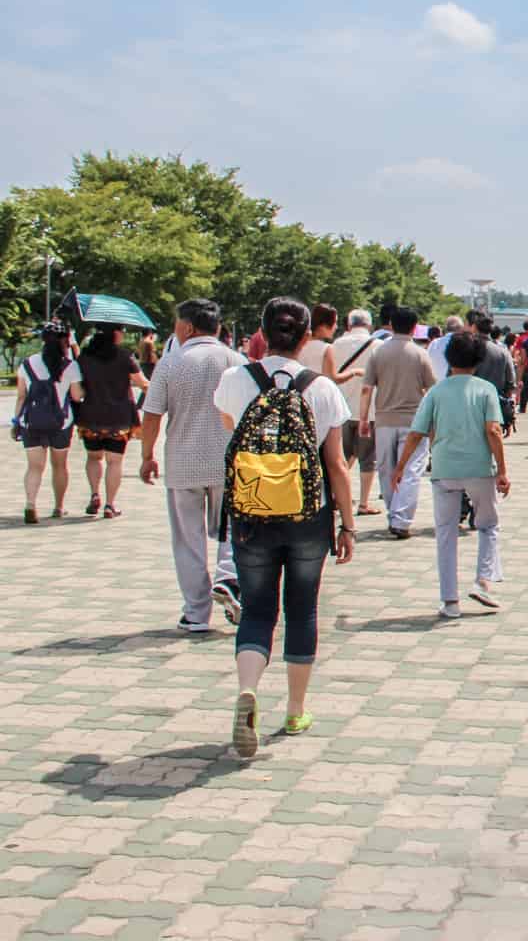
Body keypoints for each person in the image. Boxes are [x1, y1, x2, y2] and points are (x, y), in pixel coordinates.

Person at [215, 298, 355, 754]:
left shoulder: (235, 380)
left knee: (256, 608)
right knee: (303, 608)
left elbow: (230, 429)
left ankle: (248, 688)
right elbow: (336, 464)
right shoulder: (322, 388)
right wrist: (348, 525)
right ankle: (295, 709)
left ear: (262, 331)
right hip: (308, 514)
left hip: (251, 512)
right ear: (306, 336)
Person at [140, 299, 246, 631]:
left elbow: (152, 414)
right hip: (229, 463)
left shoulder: (171, 363)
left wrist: (147, 456)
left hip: (183, 462)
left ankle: (196, 612)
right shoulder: (237, 362)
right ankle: (228, 576)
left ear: (187, 327)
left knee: (188, 539)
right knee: (232, 529)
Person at [392, 332, 509, 619]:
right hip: (480, 468)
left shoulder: (436, 391)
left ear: (448, 359)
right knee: (488, 525)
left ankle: (450, 601)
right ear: (478, 360)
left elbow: (416, 433)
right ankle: (483, 580)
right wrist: (503, 470)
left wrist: (401, 466)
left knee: (445, 534)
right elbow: (493, 431)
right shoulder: (486, 390)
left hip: (444, 469)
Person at [359, 306, 436, 538]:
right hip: (414, 420)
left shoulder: (378, 352)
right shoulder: (420, 354)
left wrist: (364, 418)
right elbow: (432, 388)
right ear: (415, 327)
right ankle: (401, 520)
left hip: (383, 419)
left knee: (386, 468)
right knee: (411, 470)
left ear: (391, 324)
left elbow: (366, 388)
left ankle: (393, 513)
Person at [12, 321, 84, 523]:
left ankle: (30, 505)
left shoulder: (27, 364)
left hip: (31, 423)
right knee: (59, 465)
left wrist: (16, 420)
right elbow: (77, 396)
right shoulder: (70, 365)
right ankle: (59, 507)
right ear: (64, 341)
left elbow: (21, 396)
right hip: (61, 423)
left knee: (34, 467)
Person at [76, 324, 148, 518]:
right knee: (114, 462)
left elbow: (77, 387)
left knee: (93, 457)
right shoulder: (125, 357)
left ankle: (94, 494)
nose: (123, 335)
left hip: (91, 415)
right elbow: (142, 383)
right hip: (119, 417)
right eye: (121, 331)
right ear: (115, 334)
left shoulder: (84, 357)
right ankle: (110, 505)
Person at [323, 309, 380, 516]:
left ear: (348, 325)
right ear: (369, 325)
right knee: (367, 457)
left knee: (341, 457)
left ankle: (337, 497)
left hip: (342, 409)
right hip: (369, 410)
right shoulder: (378, 346)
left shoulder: (335, 345)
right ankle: (364, 502)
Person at [297, 304, 336, 372]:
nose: (336, 327)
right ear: (324, 326)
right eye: (335, 322)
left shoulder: (298, 344)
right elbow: (333, 378)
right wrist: (353, 372)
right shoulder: (326, 348)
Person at [426, 315, 463, 383]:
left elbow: (427, 366)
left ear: (446, 328)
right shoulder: (464, 344)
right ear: (461, 329)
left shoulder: (434, 343)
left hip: (436, 388)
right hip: (458, 387)